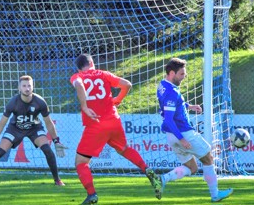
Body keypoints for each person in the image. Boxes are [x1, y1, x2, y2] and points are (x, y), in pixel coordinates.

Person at [70, 54, 162, 205]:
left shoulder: (77, 76)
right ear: (92, 62)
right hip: (114, 121)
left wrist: (85, 107)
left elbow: (79, 85)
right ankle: (147, 170)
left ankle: (92, 194)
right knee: (125, 149)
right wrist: (117, 100)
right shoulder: (104, 74)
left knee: (81, 162)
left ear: (79, 68)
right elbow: (127, 84)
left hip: (96, 124)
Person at [0, 75, 68, 187]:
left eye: (29, 85)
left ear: (33, 87)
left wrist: (56, 141)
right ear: (19, 88)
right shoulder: (13, 102)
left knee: (47, 150)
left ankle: (57, 180)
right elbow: (1, 124)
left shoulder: (40, 102)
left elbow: (48, 122)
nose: (27, 88)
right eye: (24, 86)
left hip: (34, 128)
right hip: (15, 128)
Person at [157, 58, 233, 202]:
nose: (184, 76)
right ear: (172, 73)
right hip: (183, 132)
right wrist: (182, 139)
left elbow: (174, 105)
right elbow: (168, 119)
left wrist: (189, 106)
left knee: (191, 168)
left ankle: (164, 179)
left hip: (171, 135)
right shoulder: (171, 92)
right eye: (181, 74)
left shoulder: (162, 85)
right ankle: (215, 194)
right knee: (208, 158)